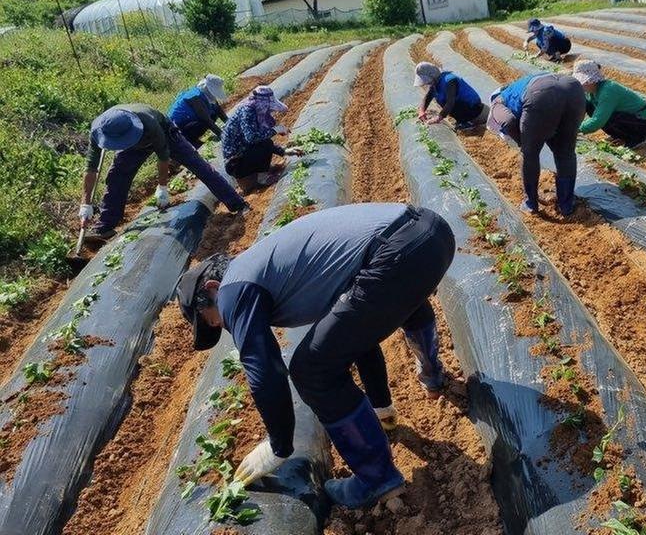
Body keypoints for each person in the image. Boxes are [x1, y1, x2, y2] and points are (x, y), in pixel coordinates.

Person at [175, 204, 454, 509]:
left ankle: (376, 478)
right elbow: (358, 334)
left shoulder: (233, 288)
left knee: (312, 370)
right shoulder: (279, 268)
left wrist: (278, 445)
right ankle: (433, 378)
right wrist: (381, 405)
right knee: (385, 311)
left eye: (214, 320)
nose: (225, 324)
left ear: (213, 288)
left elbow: (265, 370)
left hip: (395, 253)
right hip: (432, 234)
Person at [79, 104, 247, 244]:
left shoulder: (148, 122)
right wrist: (85, 204)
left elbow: (163, 155)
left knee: (199, 166)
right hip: (132, 148)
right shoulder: (98, 131)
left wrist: (162, 187)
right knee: (117, 177)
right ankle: (105, 225)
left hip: (166, 135)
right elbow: (91, 168)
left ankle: (237, 204)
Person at [487, 72, 586, 216]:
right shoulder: (518, 86)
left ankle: (531, 204)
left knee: (530, 155)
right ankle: (566, 205)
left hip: (541, 95)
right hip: (574, 89)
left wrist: (523, 143)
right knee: (565, 153)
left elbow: (508, 121)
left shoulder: (497, 101)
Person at [220, 86, 297, 193]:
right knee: (265, 142)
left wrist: (284, 151)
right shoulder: (248, 112)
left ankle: (260, 172)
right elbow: (252, 138)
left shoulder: (253, 110)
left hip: (241, 156)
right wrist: (276, 130)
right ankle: (262, 179)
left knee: (264, 141)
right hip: (235, 164)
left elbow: (258, 140)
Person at [572, 60, 646, 147]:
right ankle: (619, 135)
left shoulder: (608, 91)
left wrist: (575, 130)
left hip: (641, 122)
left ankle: (636, 139)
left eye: (583, 82)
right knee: (589, 105)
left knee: (607, 116)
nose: (581, 85)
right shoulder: (592, 91)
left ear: (592, 80)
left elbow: (598, 120)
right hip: (629, 118)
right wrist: (571, 124)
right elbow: (582, 107)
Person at [413, 61, 487, 130]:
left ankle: (469, 122)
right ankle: (463, 121)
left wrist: (438, 118)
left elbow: (450, 102)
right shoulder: (435, 83)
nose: (426, 83)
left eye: (427, 80)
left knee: (450, 103)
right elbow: (428, 97)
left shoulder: (449, 81)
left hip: (475, 111)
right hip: (465, 113)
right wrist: (421, 111)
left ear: (432, 75)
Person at [168, 74, 230, 147]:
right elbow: (206, 120)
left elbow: (218, 109)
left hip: (188, 123)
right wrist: (223, 135)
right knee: (204, 122)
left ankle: (193, 140)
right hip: (178, 131)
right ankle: (191, 141)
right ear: (208, 88)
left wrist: (230, 123)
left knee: (213, 114)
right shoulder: (195, 97)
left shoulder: (205, 94)